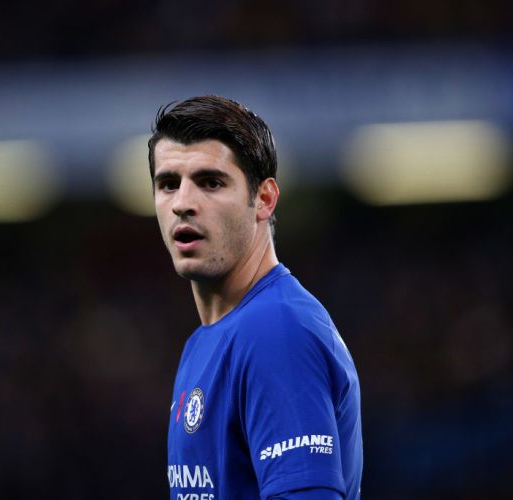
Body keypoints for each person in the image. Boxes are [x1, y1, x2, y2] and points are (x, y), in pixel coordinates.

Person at [148, 95, 362, 499]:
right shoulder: (206, 340)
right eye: (168, 184)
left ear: (264, 199)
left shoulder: (275, 330)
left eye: (211, 182)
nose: (183, 204)